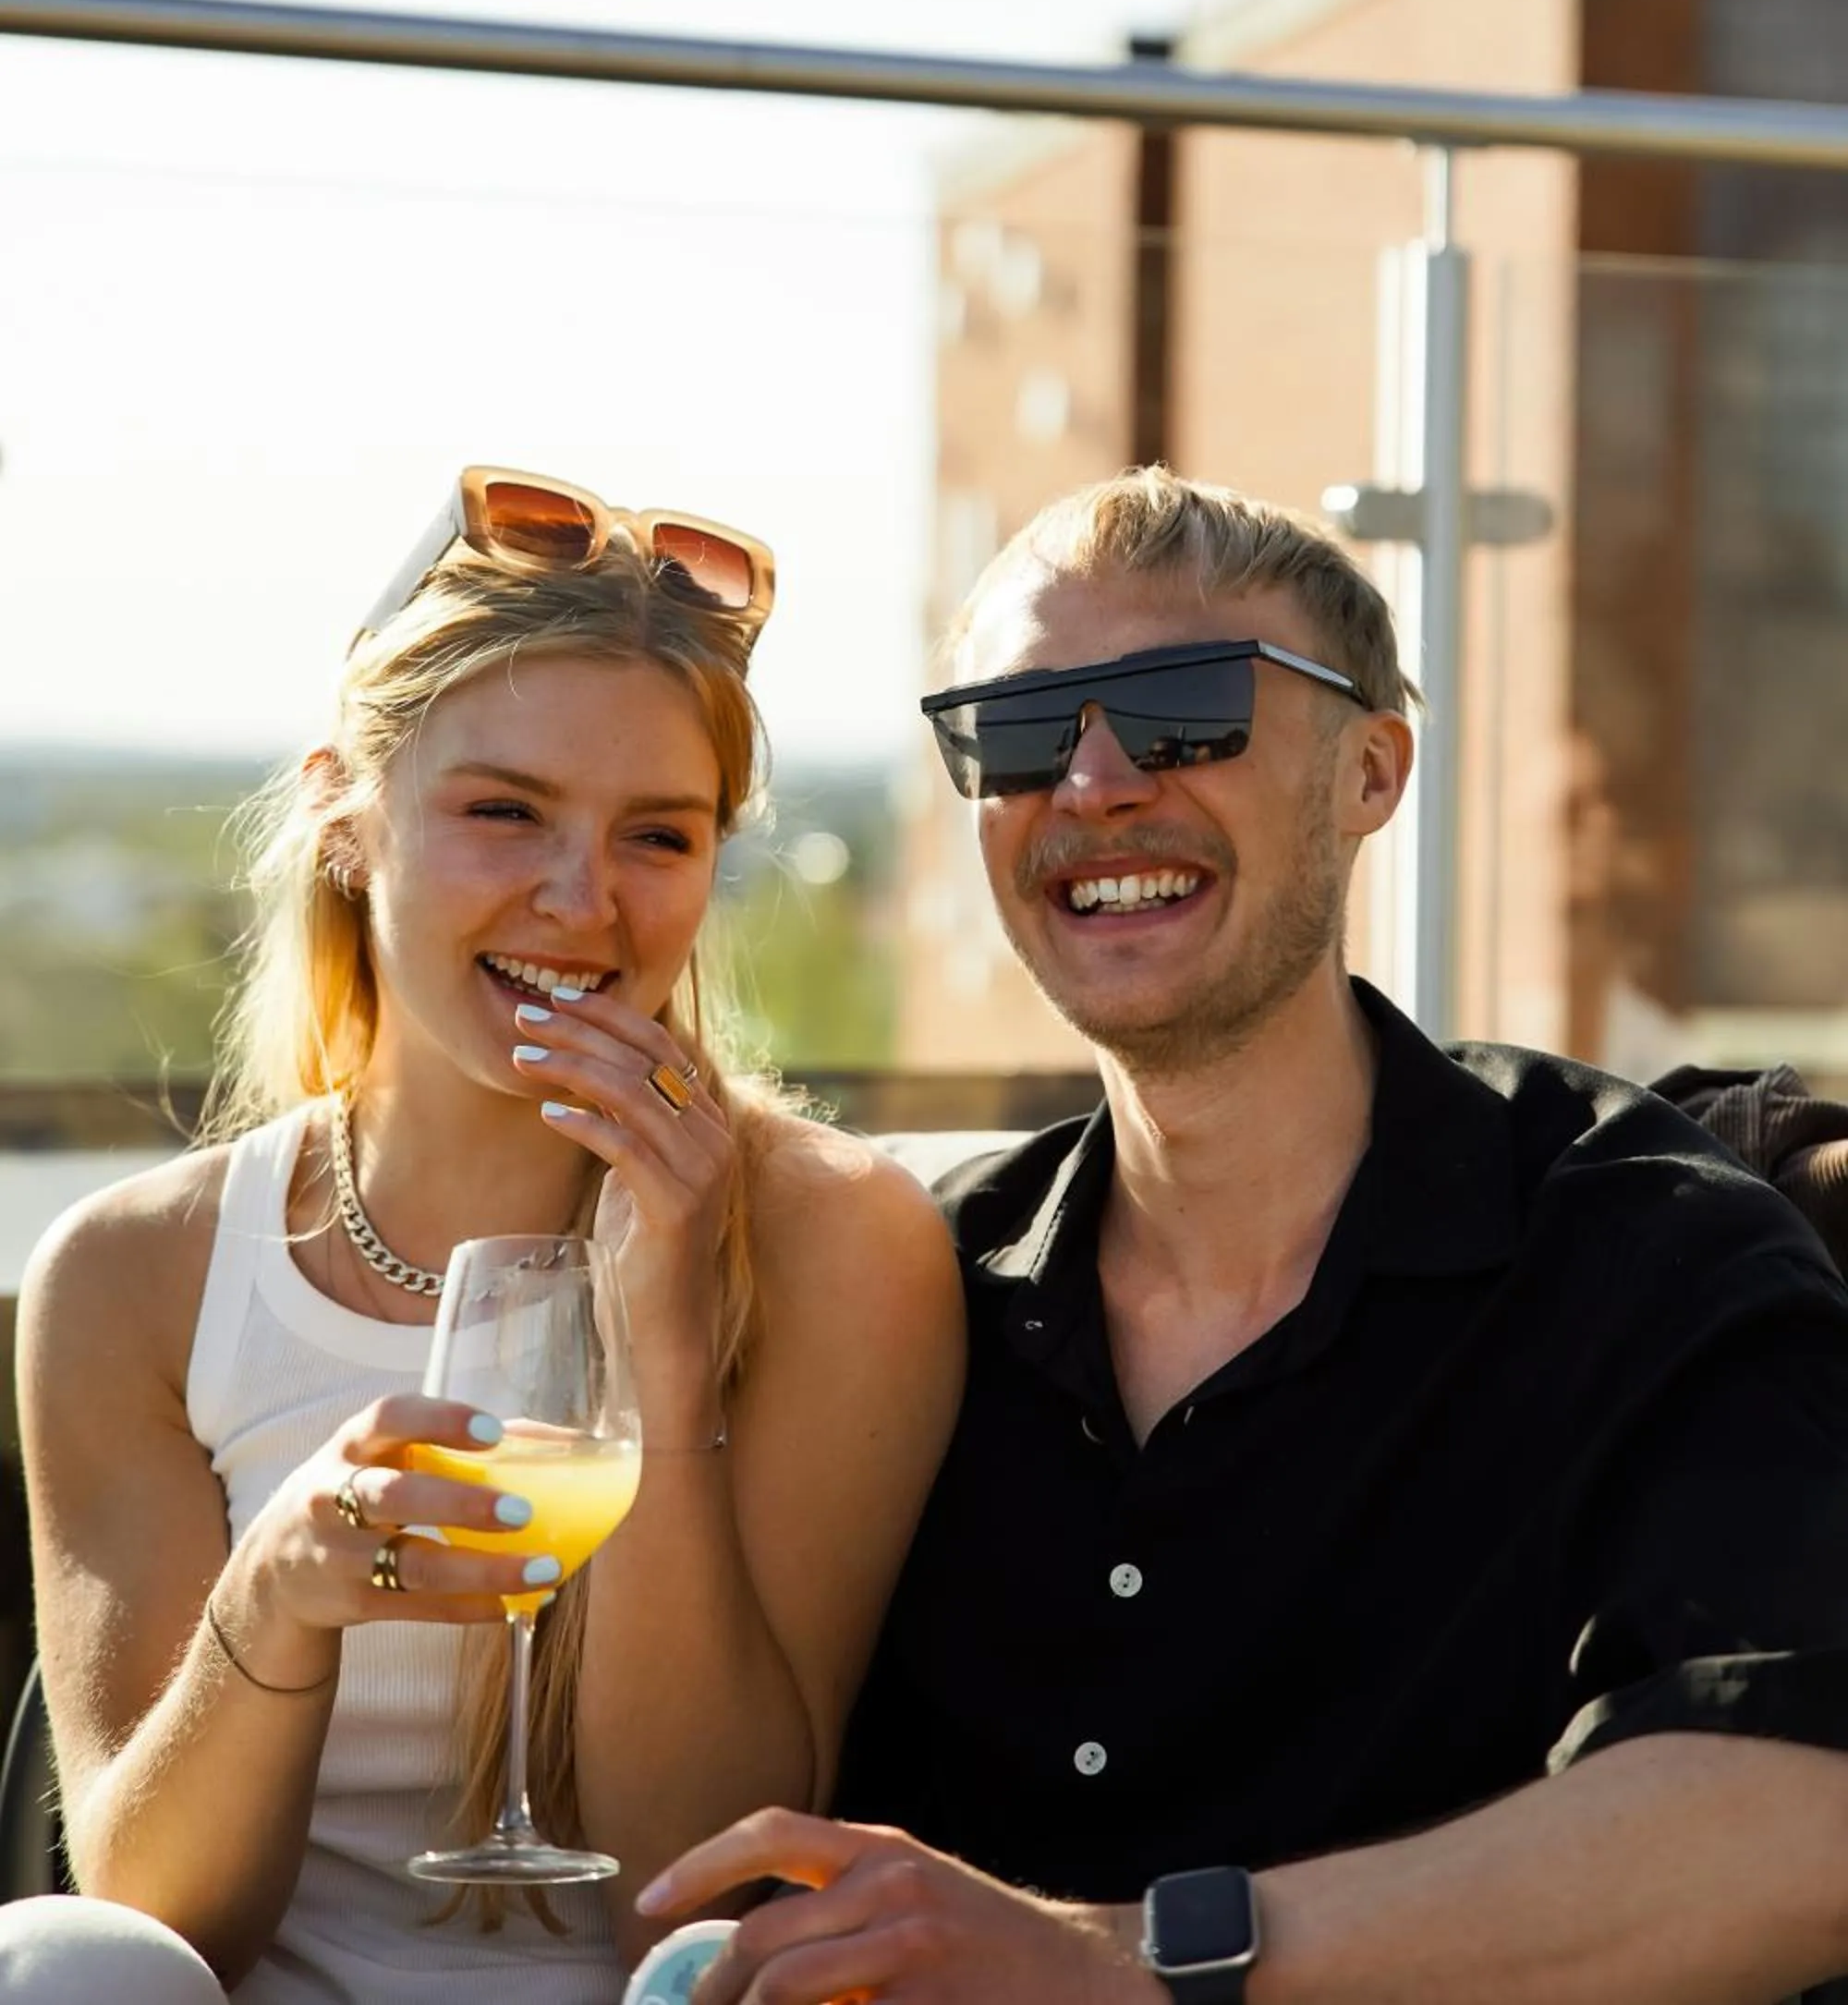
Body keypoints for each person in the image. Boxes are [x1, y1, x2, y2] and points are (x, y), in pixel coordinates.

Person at [638, 467, 1848, 2005]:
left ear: (1370, 771)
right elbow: (694, 1863)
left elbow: (1799, 1828)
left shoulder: (1644, 1254)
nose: (1092, 784)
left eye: (1183, 706)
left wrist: (1136, 1965)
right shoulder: (902, 1291)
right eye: (1020, 734)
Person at [7, 468, 964, 2000]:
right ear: (348, 813)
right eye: (503, 812)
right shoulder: (132, 1274)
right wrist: (281, 1597)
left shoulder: (839, 1239)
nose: (579, 903)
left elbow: (698, 1887)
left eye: (658, 836)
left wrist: (661, 1343)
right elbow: (155, 1926)